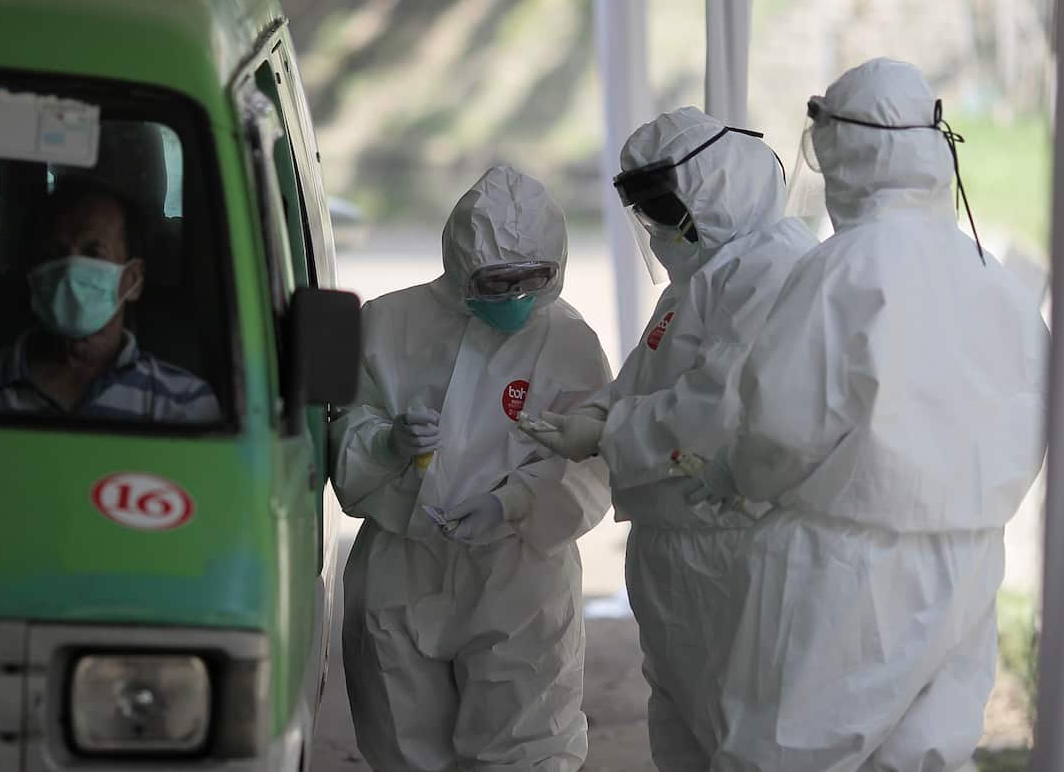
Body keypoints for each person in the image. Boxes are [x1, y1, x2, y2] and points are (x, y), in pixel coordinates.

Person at [694, 59, 1048, 770]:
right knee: (925, 752)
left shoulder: (839, 269)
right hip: (970, 556)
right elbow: (1034, 411)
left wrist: (733, 474)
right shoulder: (989, 272)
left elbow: (779, 428)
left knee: (783, 752)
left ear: (841, 152)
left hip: (846, 561)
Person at [518, 107, 817, 770]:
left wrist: (607, 429)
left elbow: (723, 403)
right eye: (649, 212)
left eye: (666, 210)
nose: (658, 230)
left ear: (716, 194)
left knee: (739, 739)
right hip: (682, 548)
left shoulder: (767, 271)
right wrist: (593, 411)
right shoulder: (705, 275)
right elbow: (647, 376)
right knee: (686, 734)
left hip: (729, 547)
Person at [332, 165, 611, 772]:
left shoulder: (567, 340)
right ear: (460, 267)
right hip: (402, 564)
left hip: (520, 569)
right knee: (404, 744)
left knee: (528, 747)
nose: (514, 296)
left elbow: (592, 461)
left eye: (530, 280)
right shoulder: (387, 324)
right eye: (496, 281)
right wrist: (386, 444)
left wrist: (511, 503)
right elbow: (345, 429)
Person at [0, 180, 219, 421]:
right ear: (33, 274)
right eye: (55, 254)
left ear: (132, 280)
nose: (69, 268)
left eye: (94, 254)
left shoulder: (182, 403)